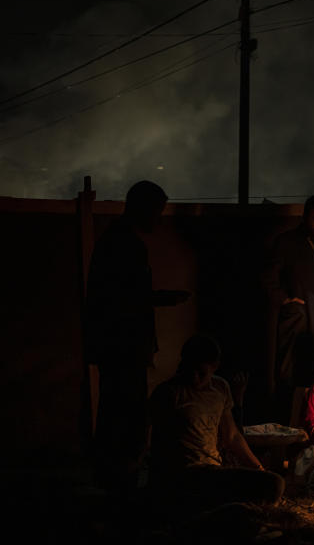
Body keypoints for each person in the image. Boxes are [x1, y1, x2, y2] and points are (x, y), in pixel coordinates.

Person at [84, 180, 190, 495]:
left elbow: (123, 296)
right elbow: (124, 299)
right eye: (156, 212)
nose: (159, 219)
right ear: (141, 209)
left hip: (119, 346)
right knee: (123, 416)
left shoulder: (118, 241)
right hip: (123, 347)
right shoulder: (124, 244)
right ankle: (118, 484)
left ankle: (115, 481)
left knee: (118, 413)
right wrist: (159, 299)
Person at [148, 334, 285, 509]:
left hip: (213, 471)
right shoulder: (169, 392)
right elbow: (156, 443)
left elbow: (232, 436)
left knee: (275, 484)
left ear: (215, 367)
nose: (194, 377)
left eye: (201, 372)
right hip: (184, 473)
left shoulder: (220, 388)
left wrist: (258, 469)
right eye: (189, 369)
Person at [264, 195, 314, 413]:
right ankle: (283, 427)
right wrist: (284, 299)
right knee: (288, 373)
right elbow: (269, 276)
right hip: (297, 312)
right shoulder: (287, 241)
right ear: (305, 216)